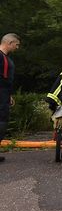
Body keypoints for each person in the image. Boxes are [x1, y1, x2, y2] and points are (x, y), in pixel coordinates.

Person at [0, 33, 21, 163]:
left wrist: (9, 95)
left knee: (2, 121)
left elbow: (5, 79)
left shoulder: (5, 58)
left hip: (4, 94)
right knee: (1, 122)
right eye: (16, 45)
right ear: (10, 43)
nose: (17, 48)